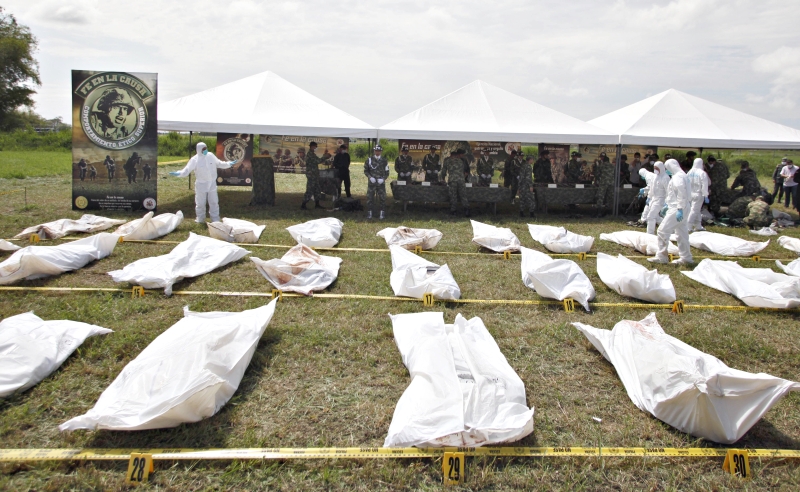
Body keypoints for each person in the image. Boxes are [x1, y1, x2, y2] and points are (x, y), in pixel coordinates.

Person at [169, 142, 235, 223]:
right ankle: (200, 219)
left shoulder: (210, 155)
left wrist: (228, 164)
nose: (205, 150)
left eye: (206, 148)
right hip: (201, 184)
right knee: (200, 203)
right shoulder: (194, 160)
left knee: (214, 202)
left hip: (212, 184)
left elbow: (219, 163)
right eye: (203, 149)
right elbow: (187, 170)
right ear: (199, 150)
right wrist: (179, 173)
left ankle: (215, 220)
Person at [649, 159, 692, 265]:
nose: (667, 170)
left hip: (677, 208)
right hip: (683, 207)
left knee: (662, 231)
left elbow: (681, 192)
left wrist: (679, 209)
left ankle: (662, 257)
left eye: (667, 168)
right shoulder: (683, 175)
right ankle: (686, 258)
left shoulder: (678, 177)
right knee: (681, 233)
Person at [300, 142, 330, 209]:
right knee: (310, 190)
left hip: (315, 175)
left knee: (317, 189)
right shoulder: (310, 155)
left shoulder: (313, 154)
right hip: (311, 175)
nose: (316, 148)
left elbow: (319, 161)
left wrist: (325, 157)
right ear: (312, 147)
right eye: (315, 147)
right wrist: (325, 156)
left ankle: (317, 204)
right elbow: (318, 161)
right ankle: (303, 204)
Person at [440, 148, 470, 216]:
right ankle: (466, 210)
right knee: (463, 195)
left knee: (453, 196)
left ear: (451, 155)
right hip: (461, 180)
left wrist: (442, 178)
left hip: (452, 180)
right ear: (456, 155)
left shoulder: (448, 161)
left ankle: (454, 211)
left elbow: (444, 171)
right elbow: (464, 171)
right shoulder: (461, 161)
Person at [641, 161, 668, 234]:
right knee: (655, 217)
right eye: (654, 168)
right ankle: (669, 228)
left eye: (657, 168)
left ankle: (650, 233)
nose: (655, 170)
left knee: (650, 216)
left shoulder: (665, 177)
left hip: (660, 199)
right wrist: (649, 196)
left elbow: (668, 191)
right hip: (654, 199)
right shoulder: (656, 177)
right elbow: (652, 188)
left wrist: (667, 201)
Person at [364, 145, 389, 219]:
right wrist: (370, 177)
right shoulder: (369, 160)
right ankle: (370, 212)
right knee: (369, 197)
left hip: (380, 182)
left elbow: (387, 172)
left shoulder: (384, 160)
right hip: (372, 182)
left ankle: (382, 213)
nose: (377, 152)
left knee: (382, 198)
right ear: (374, 151)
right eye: (376, 150)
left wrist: (383, 179)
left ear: (381, 151)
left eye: (379, 151)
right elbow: (366, 170)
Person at [686, 157, 710, 232]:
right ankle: (688, 226)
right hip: (698, 194)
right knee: (694, 210)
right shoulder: (702, 173)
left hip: (690, 194)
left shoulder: (690, 172)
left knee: (697, 210)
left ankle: (698, 225)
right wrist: (705, 195)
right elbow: (705, 184)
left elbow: (686, 182)